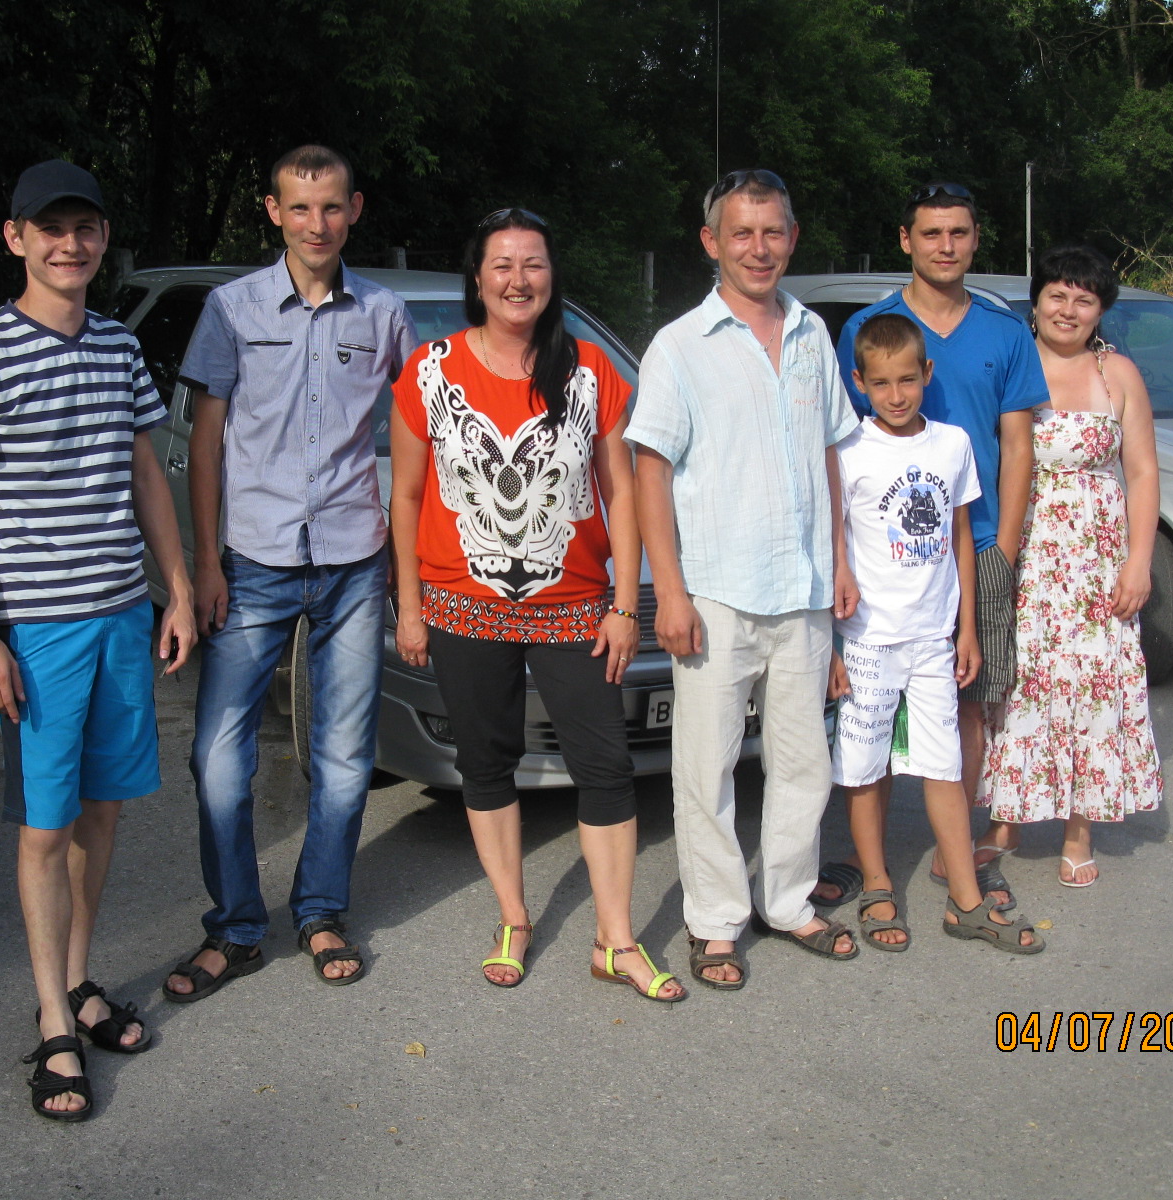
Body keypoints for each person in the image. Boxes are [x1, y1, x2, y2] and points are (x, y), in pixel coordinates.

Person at [0, 160, 196, 1120]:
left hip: (121, 615)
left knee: (102, 814)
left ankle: (79, 981)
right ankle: (52, 1021)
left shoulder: (119, 347)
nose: (69, 245)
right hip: (36, 631)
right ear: (16, 238)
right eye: (50, 229)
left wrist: (176, 592)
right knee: (45, 827)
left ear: (103, 239)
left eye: (84, 228)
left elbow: (145, 476)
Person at [389, 208, 684, 1002]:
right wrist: (410, 606)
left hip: (576, 606)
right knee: (486, 763)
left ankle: (616, 939)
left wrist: (625, 605)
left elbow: (621, 491)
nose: (518, 280)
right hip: (462, 605)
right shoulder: (429, 372)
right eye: (503, 264)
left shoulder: (590, 370)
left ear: (552, 276)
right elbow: (406, 494)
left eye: (534, 264)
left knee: (606, 765)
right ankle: (514, 918)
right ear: (477, 278)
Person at [163, 145, 416, 997]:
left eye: (332, 207)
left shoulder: (384, 313)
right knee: (217, 758)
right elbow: (206, 442)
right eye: (300, 208)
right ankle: (236, 926)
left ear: (355, 210)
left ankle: (320, 910)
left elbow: (417, 434)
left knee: (344, 756)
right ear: (273, 211)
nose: (317, 224)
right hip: (254, 561)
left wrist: (408, 559)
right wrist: (205, 563)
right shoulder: (231, 308)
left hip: (354, 562)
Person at [629, 169, 861, 989]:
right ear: (712, 242)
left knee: (803, 764)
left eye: (772, 232)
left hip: (804, 590)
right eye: (742, 233)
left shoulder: (812, 335)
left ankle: (789, 901)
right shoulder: (680, 347)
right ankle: (716, 920)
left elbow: (830, 453)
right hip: (718, 593)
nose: (758, 248)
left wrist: (840, 561)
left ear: (791, 238)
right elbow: (650, 472)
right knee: (708, 768)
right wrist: (672, 593)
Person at [829, 182, 1048, 918]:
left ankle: (955, 858)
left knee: (968, 707)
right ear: (906, 240)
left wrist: (1003, 548)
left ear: (976, 239)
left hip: (975, 546)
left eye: (958, 232)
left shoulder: (1003, 330)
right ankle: (875, 865)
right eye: (931, 233)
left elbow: (1017, 444)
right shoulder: (868, 328)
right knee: (875, 717)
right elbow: (843, 455)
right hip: (885, 568)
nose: (945, 246)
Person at [977, 245, 1163, 883]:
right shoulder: (1012, 361)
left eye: (1084, 300)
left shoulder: (1119, 374)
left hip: (1097, 563)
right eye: (1057, 294)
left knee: (1092, 688)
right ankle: (1006, 817)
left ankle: (1079, 828)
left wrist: (1139, 563)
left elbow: (1143, 472)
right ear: (1036, 301)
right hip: (1024, 552)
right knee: (1018, 684)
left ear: (1100, 311)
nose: (1068, 309)